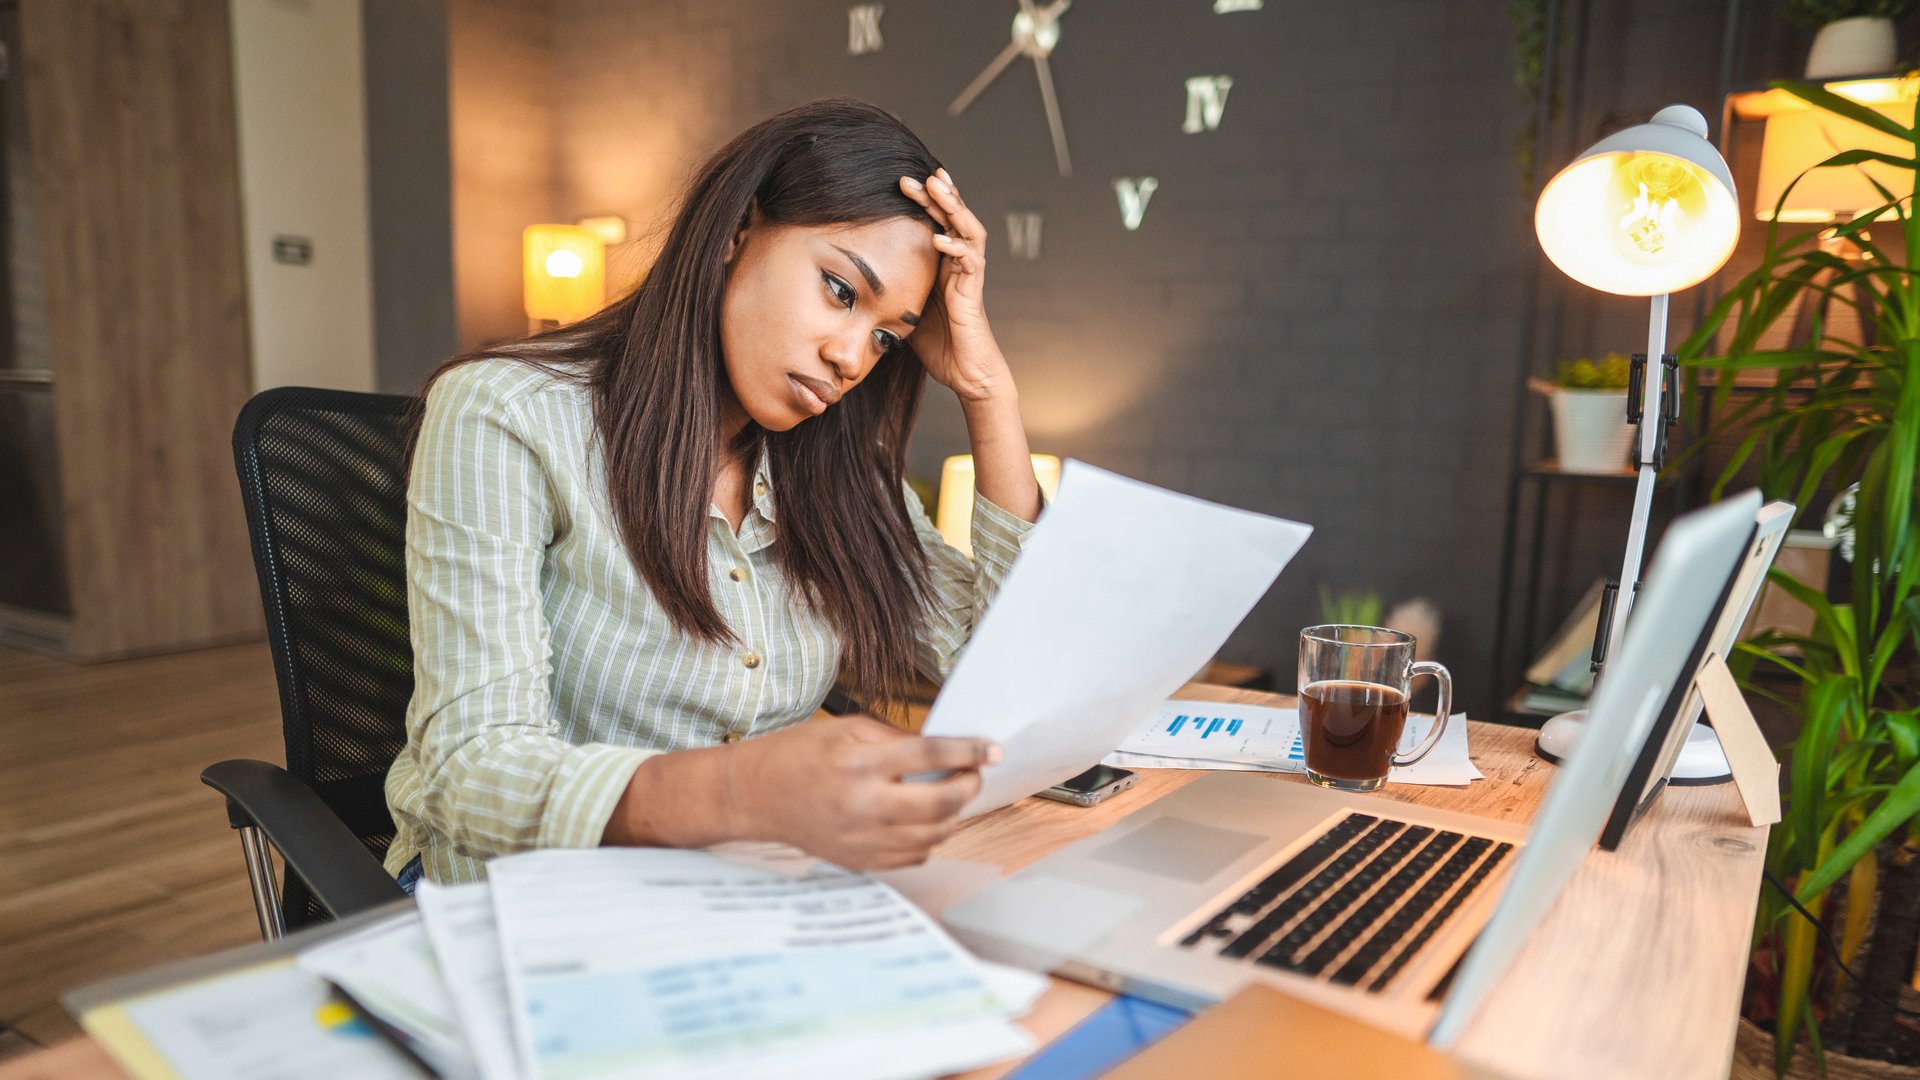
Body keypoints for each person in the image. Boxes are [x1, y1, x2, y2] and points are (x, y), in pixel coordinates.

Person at [384, 99, 1044, 886]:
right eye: (840, 290)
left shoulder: (841, 471)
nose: (851, 357)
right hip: (524, 897)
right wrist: (744, 793)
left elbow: (1000, 671)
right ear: (739, 232)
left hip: (748, 889)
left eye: (887, 335)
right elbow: (471, 770)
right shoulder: (507, 414)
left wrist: (987, 389)